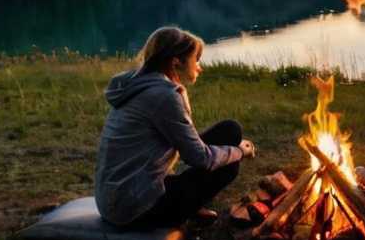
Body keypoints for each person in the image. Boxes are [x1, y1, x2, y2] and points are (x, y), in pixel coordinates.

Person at [94, 26, 256, 227]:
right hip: (134, 209)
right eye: (195, 60)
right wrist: (239, 152)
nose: (199, 67)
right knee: (229, 166)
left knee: (229, 130)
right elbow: (199, 158)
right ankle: (180, 210)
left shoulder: (137, 84)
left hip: (115, 197)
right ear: (176, 61)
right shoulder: (164, 96)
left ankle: (188, 205)